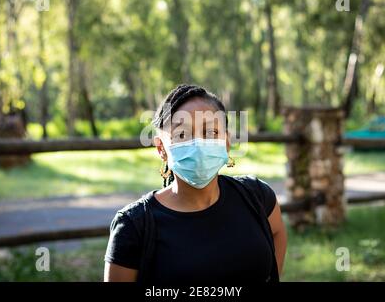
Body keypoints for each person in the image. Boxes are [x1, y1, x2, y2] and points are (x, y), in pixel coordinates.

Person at [104, 84, 287, 284]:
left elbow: (278, 233)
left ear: (226, 141)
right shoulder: (134, 226)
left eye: (211, 132)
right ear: (161, 148)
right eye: (182, 135)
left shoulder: (257, 196)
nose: (198, 143)